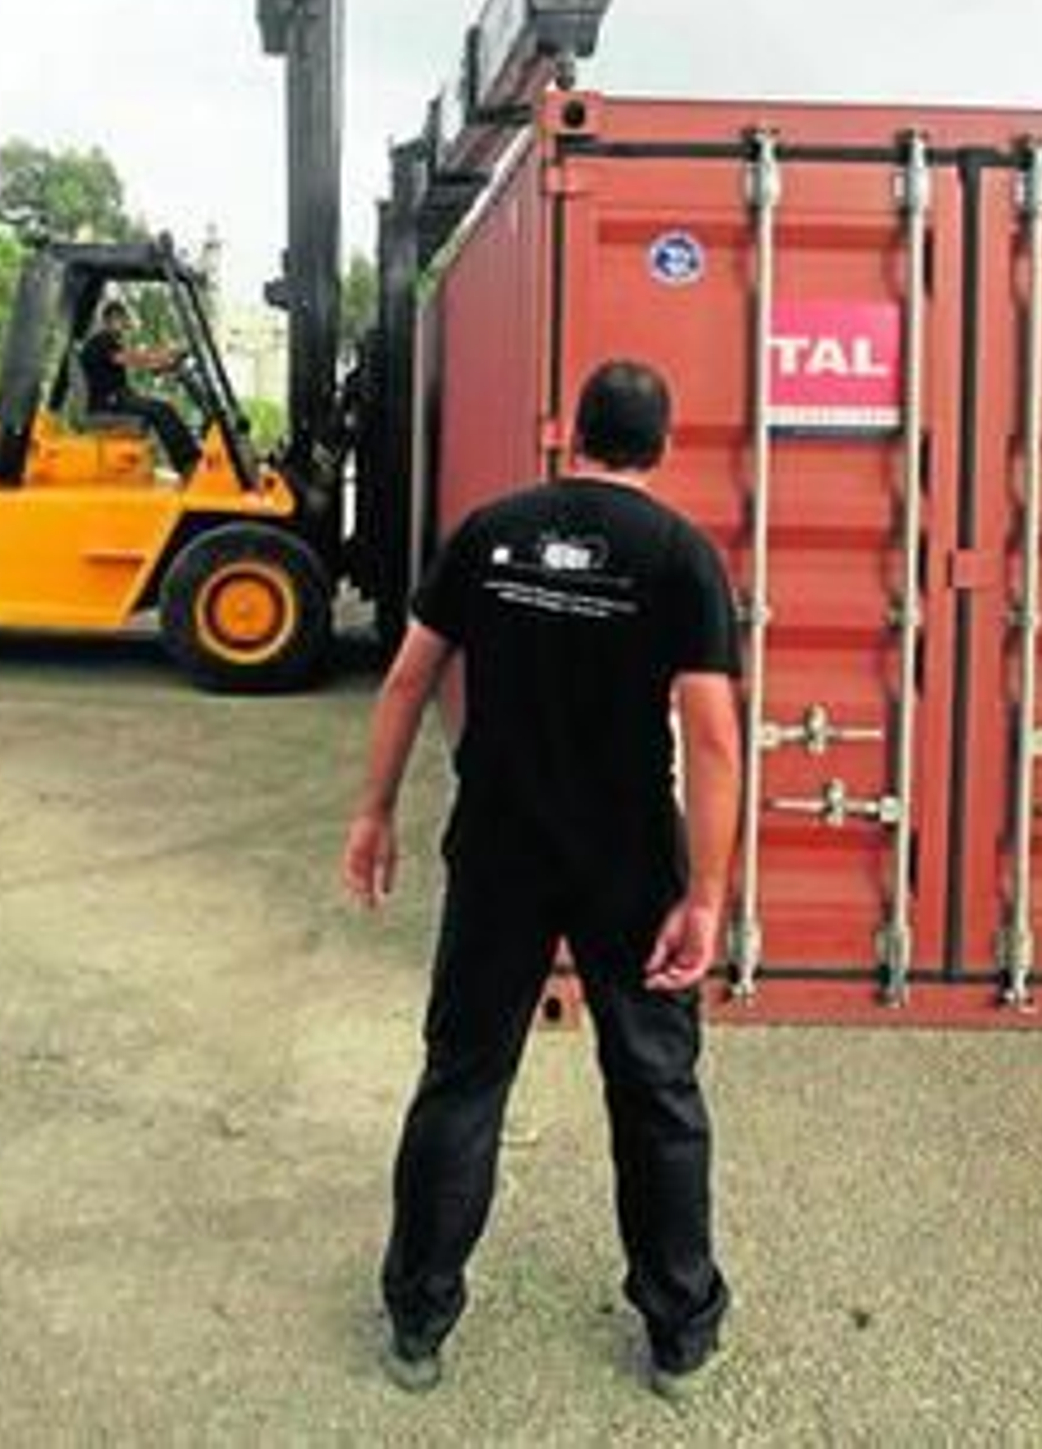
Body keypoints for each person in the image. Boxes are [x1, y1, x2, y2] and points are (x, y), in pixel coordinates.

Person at [341, 359, 743, 1404]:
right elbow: (710, 737)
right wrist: (704, 893)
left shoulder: (490, 532)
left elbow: (407, 676)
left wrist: (373, 810)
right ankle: (678, 1332)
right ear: (661, 446)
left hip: (500, 850)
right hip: (628, 865)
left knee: (465, 1076)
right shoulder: (681, 558)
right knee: (654, 1087)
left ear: (568, 432)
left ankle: (419, 1322)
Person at [77, 298, 201, 475]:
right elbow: (131, 358)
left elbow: (132, 358)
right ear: (111, 319)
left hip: (117, 398)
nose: (125, 325)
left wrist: (163, 363)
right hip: (109, 402)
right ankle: (189, 464)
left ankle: (190, 461)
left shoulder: (109, 342)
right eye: (123, 320)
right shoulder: (102, 340)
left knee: (164, 408)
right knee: (162, 410)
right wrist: (166, 355)